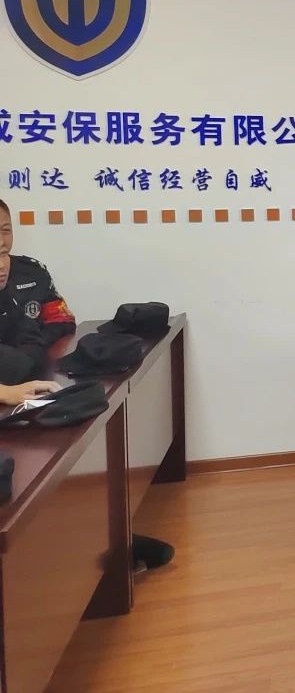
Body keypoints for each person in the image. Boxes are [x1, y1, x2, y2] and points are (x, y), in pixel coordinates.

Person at [0, 197, 174, 574]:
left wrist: (31, 353)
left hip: (32, 387)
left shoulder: (30, 272)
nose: (1, 251)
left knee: (75, 448)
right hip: (8, 396)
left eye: (5, 233)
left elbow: (61, 321)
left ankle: (110, 543)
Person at [0, 198, 76, 347]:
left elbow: (62, 321)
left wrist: (35, 344)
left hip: (30, 357)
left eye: (5, 230)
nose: (1, 241)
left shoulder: (33, 271)